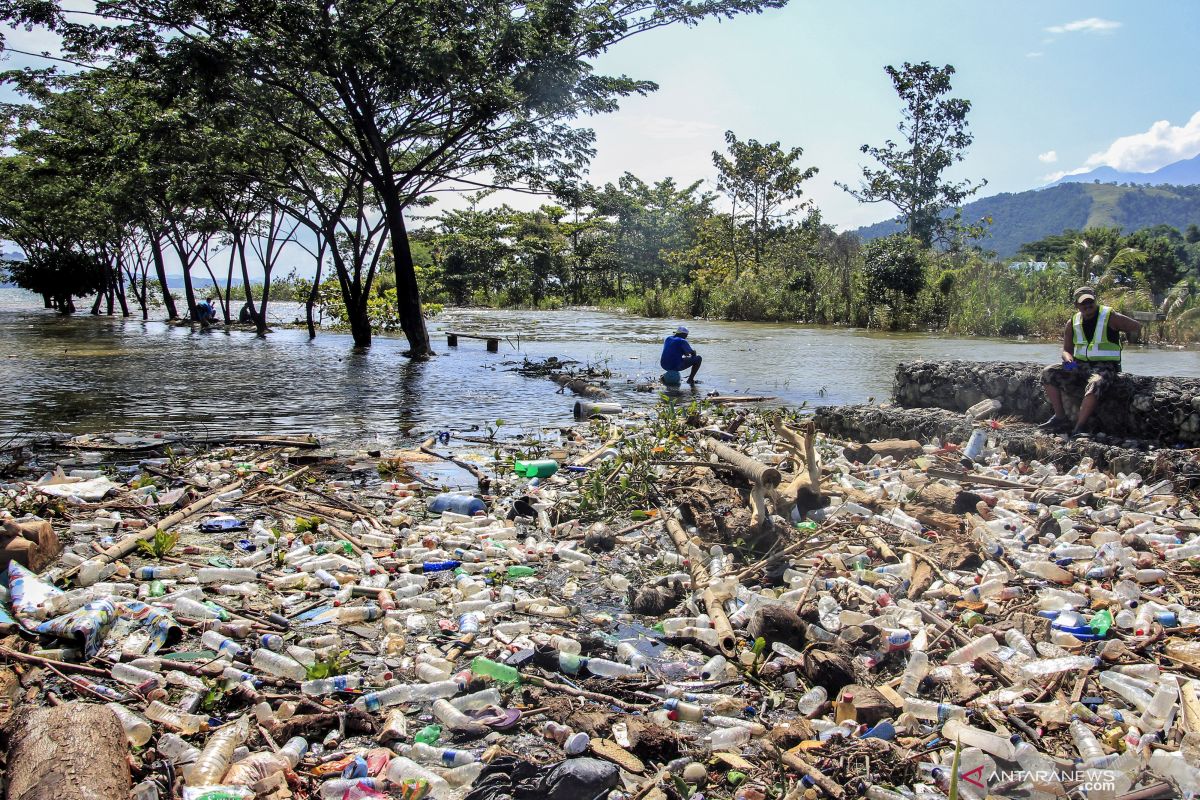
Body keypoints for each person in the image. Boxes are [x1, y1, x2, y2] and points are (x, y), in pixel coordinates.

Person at [1039, 286, 1141, 439]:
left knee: (1095, 383)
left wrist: (1121, 333)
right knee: (1048, 372)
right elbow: (1066, 350)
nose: (1087, 306)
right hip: (1079, 365)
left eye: (1090, 302)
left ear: (1095, 301)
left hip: (1105, 367)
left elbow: (1136, 327)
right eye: (1083, 303)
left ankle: (1079, 427)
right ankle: (1060, 418)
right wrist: (1068, 359)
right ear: (1077, 305)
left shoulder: (1109, 316)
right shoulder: (1072, 322)